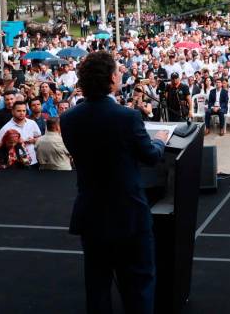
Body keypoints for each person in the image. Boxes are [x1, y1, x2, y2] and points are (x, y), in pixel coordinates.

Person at [60, 50, 168, 314]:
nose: (122, 74)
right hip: (127, 213)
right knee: (138, 283)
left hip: (91, 212)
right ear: (111, 78)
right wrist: (160, 139)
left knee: (97, 286)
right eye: (119, 71)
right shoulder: (127, 117)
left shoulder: (68, 118)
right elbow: (151, 156)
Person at [0, 100, 42, 166]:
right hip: (15, 164)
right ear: (12, 112)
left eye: (24, 111)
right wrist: (14, 143)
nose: (22, 113)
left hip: (33, 161)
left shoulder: (32, 123)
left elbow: (39, 137)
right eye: (19, 111)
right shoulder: (6, 128)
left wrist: (34, 140)